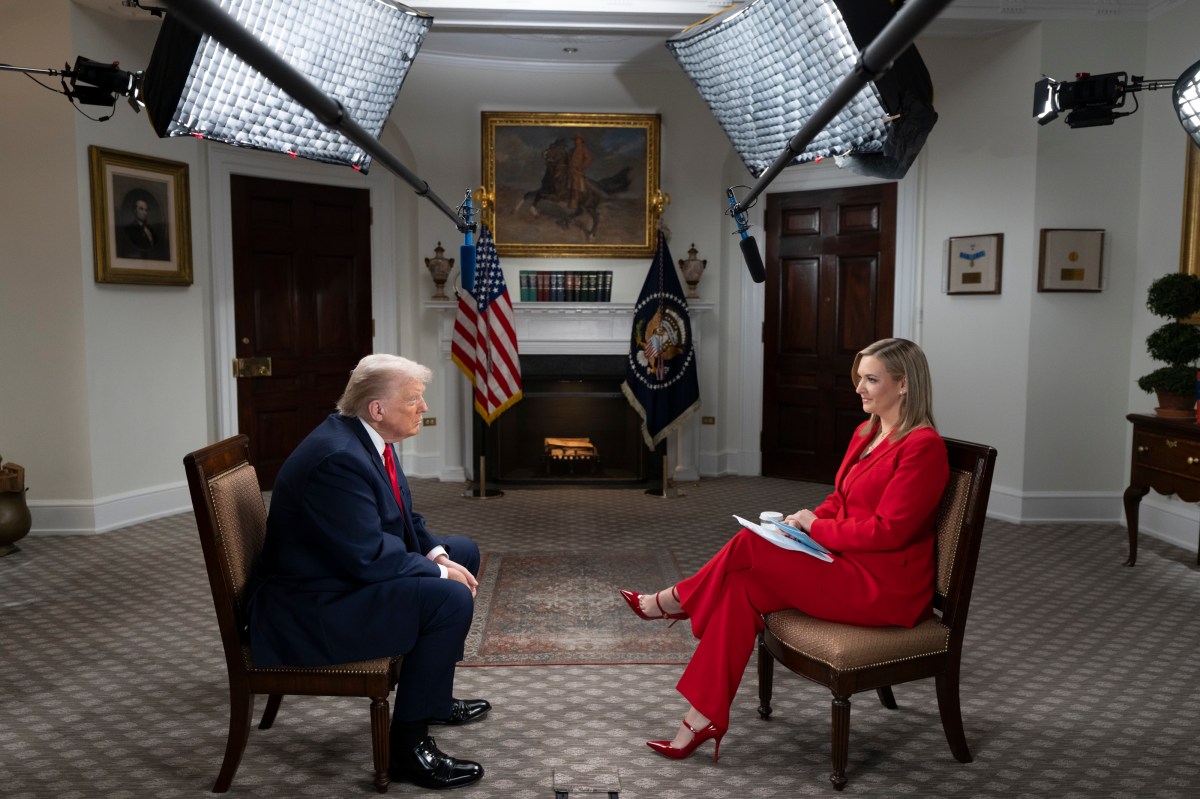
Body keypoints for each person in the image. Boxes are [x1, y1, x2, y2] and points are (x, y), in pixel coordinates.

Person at [620, 337, 949, 762]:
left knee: (750, 542)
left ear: (903, 384)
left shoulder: (923, 446)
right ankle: (699, 720)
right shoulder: (866, 432)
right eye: (859, 378)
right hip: (843, 564)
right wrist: (802, 521)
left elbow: (890, 531)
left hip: (884, 587)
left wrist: (818, 529)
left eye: (871, 379)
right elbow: (840, 499)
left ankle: (675, 600)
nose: (859, 388)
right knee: (739, 588)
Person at [248, 354, 488, 790]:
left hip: (337, 574)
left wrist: (437, 556)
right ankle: (408, 749)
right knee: (450, 597)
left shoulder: (367, 439)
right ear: (377, 408)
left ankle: (432, 698)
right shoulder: (338, 459)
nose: (424, 407)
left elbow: (403, 518)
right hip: (312, 605)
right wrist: (439, 576)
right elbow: (369, 556)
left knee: (462, 551)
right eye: (414, 399)